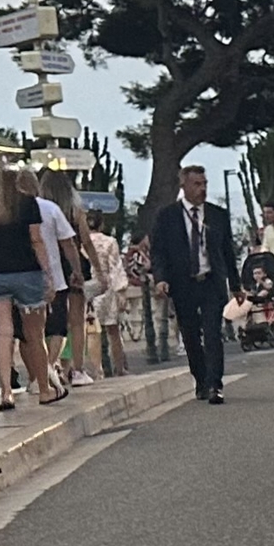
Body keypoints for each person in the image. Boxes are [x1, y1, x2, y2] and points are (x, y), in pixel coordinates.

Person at [0, 160, 58, 414]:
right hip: (26, 273)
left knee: (2, 333)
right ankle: (43, 389)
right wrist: (48, 274)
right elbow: (36, 240)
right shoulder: (26, 203)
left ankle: (6, 391)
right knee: (35, 334)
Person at [147, 165, 239, 403]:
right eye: (197, 184)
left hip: (211, 282)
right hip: (183, 283)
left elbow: (228, 251)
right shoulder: (167, 216)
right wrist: (161, 278)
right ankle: (201, 379)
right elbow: (159, 251)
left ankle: (215, 384)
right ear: (184, 186)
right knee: (189, 335)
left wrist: (236, 285)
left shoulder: (218, 214)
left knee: (212, 333)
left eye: (205, 183)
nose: (202, 189)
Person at [32, 170, 91, 388]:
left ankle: (49, 366)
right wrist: (91, 269)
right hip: (68, 265)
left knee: (42, 321)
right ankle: (76, 369)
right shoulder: (74, 212)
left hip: (46, 265)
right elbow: (83, 242)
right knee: (75, 321)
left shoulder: (37, 210)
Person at [85, 210, 130, 377]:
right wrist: (121, 291)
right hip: (107, 288)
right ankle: (120, 367)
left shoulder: (82, 242)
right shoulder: (110, 242)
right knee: (113, 331)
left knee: (90, 330)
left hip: (88, 287)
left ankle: (96, 369)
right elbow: (116, 267)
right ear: (101, 224)